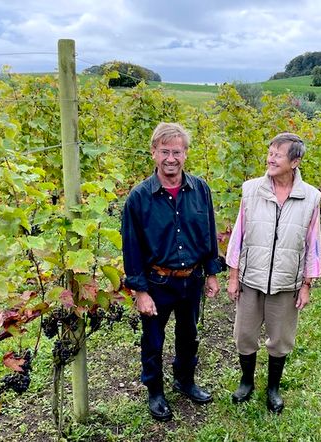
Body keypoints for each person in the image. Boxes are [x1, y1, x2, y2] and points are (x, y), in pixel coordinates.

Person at [121, 122, 222, 422]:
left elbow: (208, 232)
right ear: (153, 153)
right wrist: (140, 291)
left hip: (191, 279)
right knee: (153, 340)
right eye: (164, 151)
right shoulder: (139, 198)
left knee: (188, 335)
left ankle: (185, 380)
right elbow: (131, 247)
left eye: (176, 152)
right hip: (156, 282)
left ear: (185, 154)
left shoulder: (200, 189)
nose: (170, 158)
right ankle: (155, 391)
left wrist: (212, 273)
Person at [225, 132, 321, 414]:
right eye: (270, 152)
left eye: (278, 154)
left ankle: (273, 388)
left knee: (280, 339)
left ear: (295, 161)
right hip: (251, 279)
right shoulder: (251, 190)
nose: (270, 158)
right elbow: (238, 236)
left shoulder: (310, 197)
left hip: (286, 282)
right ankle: (246, 382)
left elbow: (313, 243)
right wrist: (233, 276)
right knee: (244, 334)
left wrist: (307, 284)